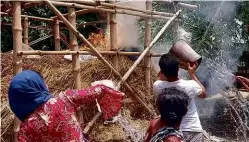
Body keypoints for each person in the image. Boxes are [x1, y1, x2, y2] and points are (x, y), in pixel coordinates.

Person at [8, 70, 124, 142]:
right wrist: (111, 103)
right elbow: (99, 90)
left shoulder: (26, 128)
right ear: (38, 85)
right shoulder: (64, 100)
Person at [153, 53, 207, 142]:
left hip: (172, 132)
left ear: (162, 71)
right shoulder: (191, 85)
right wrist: (192, 73)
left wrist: (164, 67)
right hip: (193, 129)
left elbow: (158, 79)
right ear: (178, 69)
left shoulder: (158, 86)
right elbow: (203, 94)